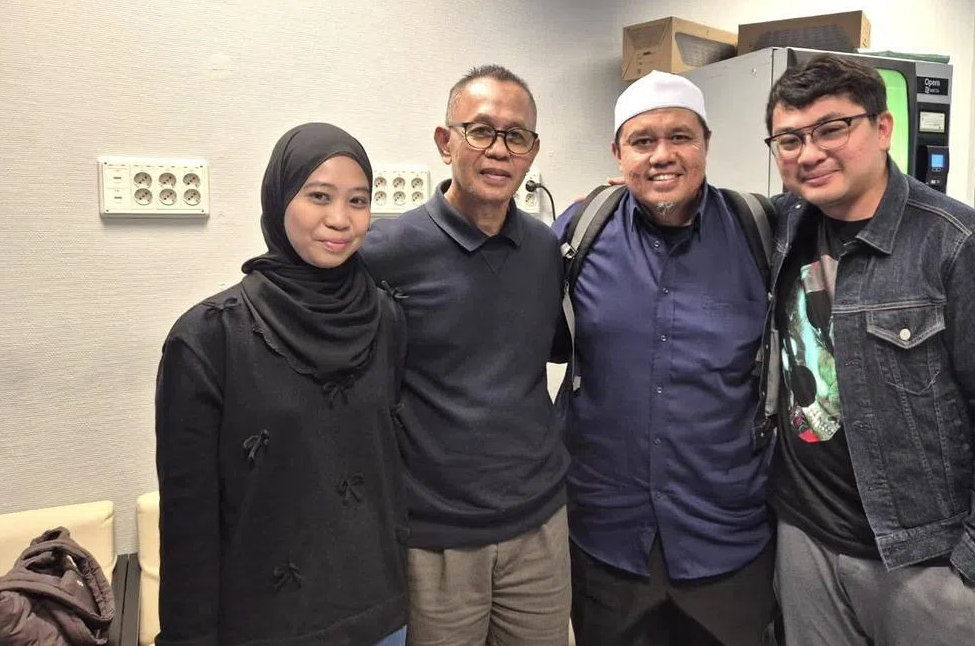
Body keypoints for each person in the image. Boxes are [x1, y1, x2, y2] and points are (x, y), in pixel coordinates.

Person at [760, 54, 975, 645]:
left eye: (831, 129)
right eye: (790, 139)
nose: (809, 153)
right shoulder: (786, 224)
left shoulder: (964, 244)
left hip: (926, 559)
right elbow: (709, 210)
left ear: (883, 128)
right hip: (805, 536)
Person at [155, 123, 408, 646]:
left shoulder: (386, 318)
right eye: (319, 196)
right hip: (266, 622)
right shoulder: (209, 337)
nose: (340, 219)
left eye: (358, 201)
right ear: (278, 199)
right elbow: (188, 522)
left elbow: (391, 466)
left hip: (380, 612)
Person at [552, 70, 776, 646]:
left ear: (707, 143)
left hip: (726, 537)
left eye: (680, 137)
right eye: (642, 141)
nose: (662, 156)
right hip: (607, 537)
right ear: (617, 153)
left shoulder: (760, 231)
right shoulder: (582, 230)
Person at [360, 65, 570, 646]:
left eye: (516, 136)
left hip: (539, 526)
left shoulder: (545, 248)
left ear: (532, 152)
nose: (499, 150)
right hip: (433, 538)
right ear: (445, 142)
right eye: (480, 131)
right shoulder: (385, 251)